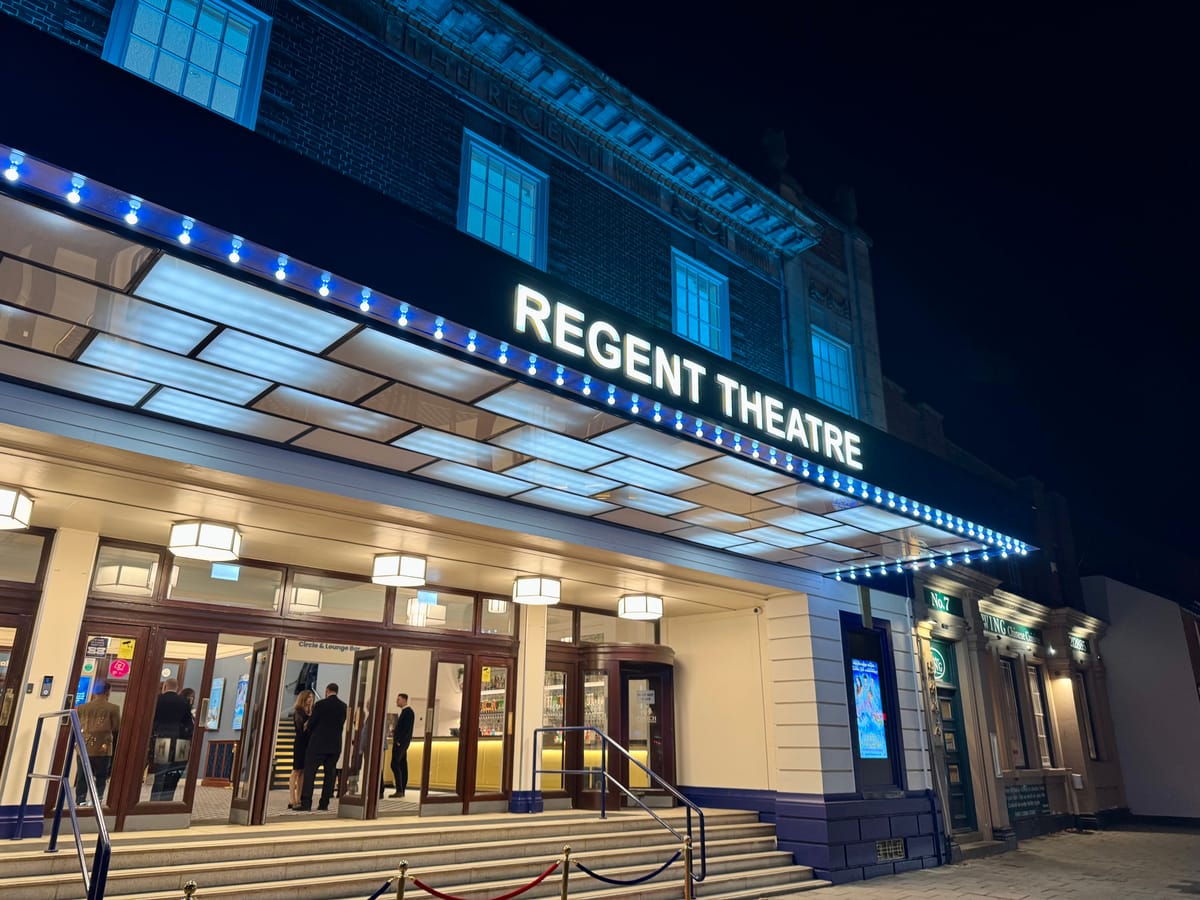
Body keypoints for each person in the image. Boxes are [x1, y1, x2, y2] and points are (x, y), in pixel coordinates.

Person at [297, 682, 346, 812]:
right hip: (335, 745)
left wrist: (309, 729)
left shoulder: (320, 705)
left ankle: (306, 802)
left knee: (310, 773)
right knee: (329, 775)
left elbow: (312, 723)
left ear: (327, 691)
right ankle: (324, 803)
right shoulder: (343, 706)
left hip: (318, 744)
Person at [75, 681, 120, 806]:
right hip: (103, 747)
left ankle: (80, 799)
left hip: (84, 746)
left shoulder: (82, 707)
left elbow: (78, 725)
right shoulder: (113, 708)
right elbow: (116, 727)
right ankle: (97, 798)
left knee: (82, 774)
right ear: (108, 692)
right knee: (101, 775)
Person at [150, 678, 194, 801]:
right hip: (180, 741)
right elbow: (188, 723)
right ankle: (167, 800)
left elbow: (152, 719)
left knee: (160, 773)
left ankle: (154, 801)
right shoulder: (183, 701)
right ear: (177, 688)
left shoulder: (158, 699)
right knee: (174, 773)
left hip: (162, 739)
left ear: (165, 687)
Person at [288, 689, 315, 810]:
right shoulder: (298, 711)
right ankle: (291, 799)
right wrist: (309, 721)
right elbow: (301, 729)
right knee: (296, 770)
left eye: (311, 697)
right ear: (303, 698)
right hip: (300, 743)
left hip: (308, 744)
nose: (310, 699)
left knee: (303, 771)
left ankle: (299, 798)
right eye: (308, 697)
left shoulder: (311, 711)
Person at [389, 692, 415, 798]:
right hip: (402, 743)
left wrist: (399, 741)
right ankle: (401, 789)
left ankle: (400, 789)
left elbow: (406, 730)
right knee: (402, 765)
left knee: (394, 764)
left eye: (398, 699)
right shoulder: (406, 712)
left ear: (404, 700)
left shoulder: (408, 712)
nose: (397, 701)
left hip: (401, 743)